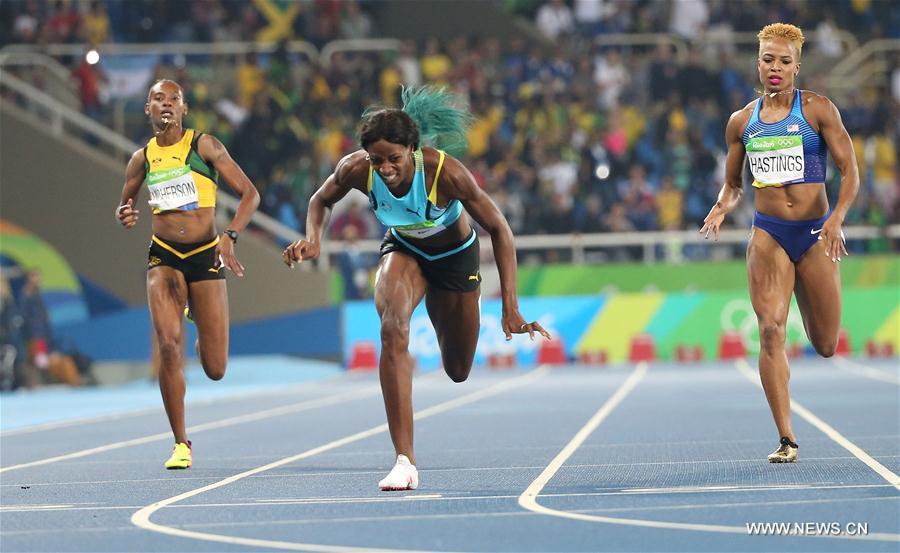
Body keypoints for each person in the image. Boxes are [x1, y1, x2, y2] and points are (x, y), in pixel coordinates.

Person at [283, 86, 550, 490]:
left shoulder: (446, 173)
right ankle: (404, 460)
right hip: (404, 250)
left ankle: (443, 308)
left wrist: (510, 306)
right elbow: (321, 200)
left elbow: (499, 228)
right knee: (392, 330)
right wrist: (314, 241)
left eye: (394, 159)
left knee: (457, 369)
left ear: (413, 149)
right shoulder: (357, 168)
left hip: (455, 258)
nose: (385, 169)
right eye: (378, 160)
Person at [700, 23, 858, 463]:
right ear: (758, 61)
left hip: (814, 234)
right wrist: (722, 205)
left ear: (797, 66)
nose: (775, 68)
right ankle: (787, 438)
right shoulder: (741, 122)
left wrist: (837, 219)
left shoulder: (818, 110)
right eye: (768, 59)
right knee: (770, 329)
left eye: (784, 62)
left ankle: (815, 327)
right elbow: (734, 184)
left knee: (826, 344)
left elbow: (850, 171)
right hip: (768, 233)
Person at [116, 79, 260, 469]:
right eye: (158, 99)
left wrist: (230, 236)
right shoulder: (141, 158)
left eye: (173, 100)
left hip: (204, 255)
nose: (166, 105)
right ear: (147, 109)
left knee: (215, 369)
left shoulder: (204, 146)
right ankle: (181, 442)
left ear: (183, 109)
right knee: (167, 345)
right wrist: (125, 212)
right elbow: (126, 203)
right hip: (162, 256)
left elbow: (250, 194)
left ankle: (196, 312)